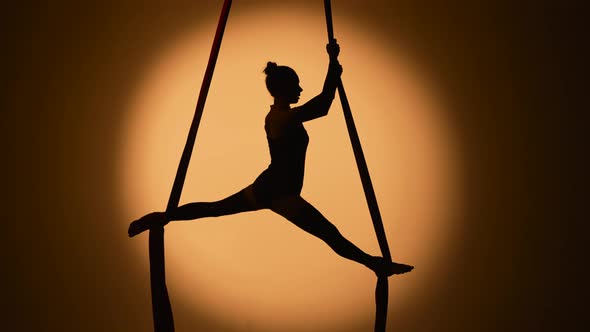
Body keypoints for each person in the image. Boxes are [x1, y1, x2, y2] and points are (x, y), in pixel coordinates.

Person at [128, 41, 413, 276]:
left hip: (271, 187)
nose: (301, 89)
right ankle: (375, 265)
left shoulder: (284, 116)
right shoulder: (279, 119)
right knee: (330, 235)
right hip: (280, 193)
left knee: (215, 208)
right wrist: (332, 66)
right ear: (284, 90)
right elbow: (324, 105)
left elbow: (322, 103)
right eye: (297, 85)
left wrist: (333, 70)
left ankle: (164, 216)